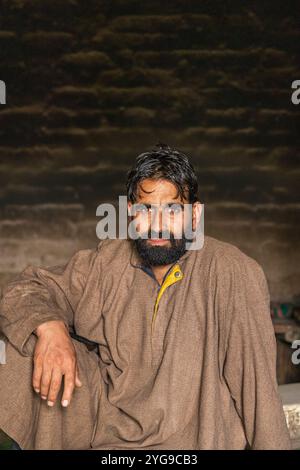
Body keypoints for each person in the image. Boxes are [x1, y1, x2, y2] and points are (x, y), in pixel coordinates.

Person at [0, 143, 291, 449]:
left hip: (189, 444)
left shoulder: (231, 271)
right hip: (109, 439)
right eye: (146, 210)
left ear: (195, 215)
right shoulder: (107, 262)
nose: (158, 225)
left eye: (173, 210)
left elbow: (257, 389)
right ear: (130, 213)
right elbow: (25, 289)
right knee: (25, 345)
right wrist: (50, 329)